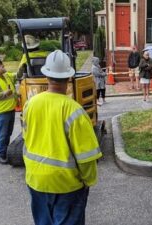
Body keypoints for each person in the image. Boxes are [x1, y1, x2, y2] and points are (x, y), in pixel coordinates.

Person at [22, 50, 102, 225]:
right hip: (66, 185)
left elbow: (26, 137)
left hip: (36, 179)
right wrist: (88, 181)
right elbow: (86, 156)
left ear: (46, 75)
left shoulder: (31, 104)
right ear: (69, 78)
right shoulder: (74, 111)